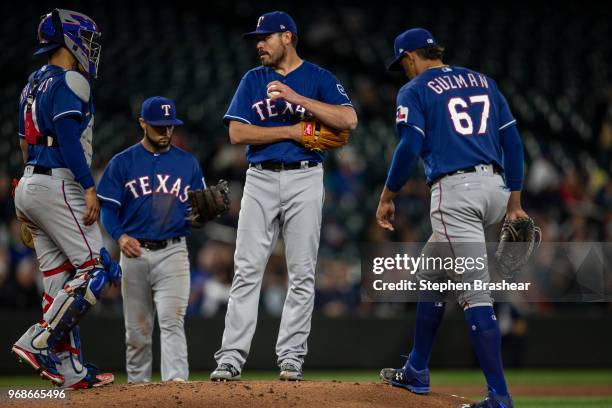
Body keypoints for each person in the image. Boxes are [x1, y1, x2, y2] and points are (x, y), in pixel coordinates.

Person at [376, 28, 527, 408]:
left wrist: (387, 195)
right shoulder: (483, 80)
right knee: (430, 274)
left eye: (403, 64)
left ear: (411, 57)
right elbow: (512, 141)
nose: (404, 71)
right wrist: (515, 202)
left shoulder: (415, 90)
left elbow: (410, 145)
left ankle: (499, 397)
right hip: (496, 189)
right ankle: (417, 370)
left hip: (455, 193)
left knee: (475, 292)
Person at [211, 11, 357, 381]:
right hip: (259, 178)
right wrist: (290, 131)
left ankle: (291, 356)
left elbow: (348, 121)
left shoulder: (319, 78)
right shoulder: (252, 79)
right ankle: (230, 357)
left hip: (306, 178)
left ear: (287, 37)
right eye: (256, 39)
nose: (258, 44)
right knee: (246, 270)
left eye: (265, 37)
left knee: (303, 271)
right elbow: (238, 135)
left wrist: (296, 98)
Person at [12, 9, 120, 389]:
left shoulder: (32, 82)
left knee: (59, 283)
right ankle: (38, 340)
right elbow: (68, 138)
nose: (91, 49)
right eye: (87, 40)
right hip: (59, 183)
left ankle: (71, 372)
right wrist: (88, 186)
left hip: (29, 182)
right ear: (71, 41)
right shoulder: (71, 79)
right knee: (97, 268)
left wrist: (28, 200)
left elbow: (25, 143)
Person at [97, 96, 205, 383]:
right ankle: (137, 391)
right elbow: (108, 211)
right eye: (159, 126)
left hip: (173, 252)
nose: (166, 132)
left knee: (172, 323)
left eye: (170, 126)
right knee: (137, 332)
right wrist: (119, 237)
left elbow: (198, 212)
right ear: (143, 123)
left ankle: (176, 390)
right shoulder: (122, 163)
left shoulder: (188, 163)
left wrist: (200, 217)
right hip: (135, 254)